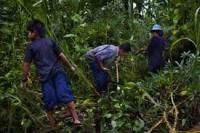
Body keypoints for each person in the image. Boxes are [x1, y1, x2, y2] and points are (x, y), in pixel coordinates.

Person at [21, 19, 80, 127]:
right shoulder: (49, 41)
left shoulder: (31, 47)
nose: (27, 34)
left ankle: (52, 125)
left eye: (28, 31)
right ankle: (76, 119)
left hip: (46, 77)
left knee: (49, 102)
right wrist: (70, 66)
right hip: (58, 72)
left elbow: (26, 64)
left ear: (34, 32)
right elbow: (61, 56)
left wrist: (24, 79)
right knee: (65, 94)